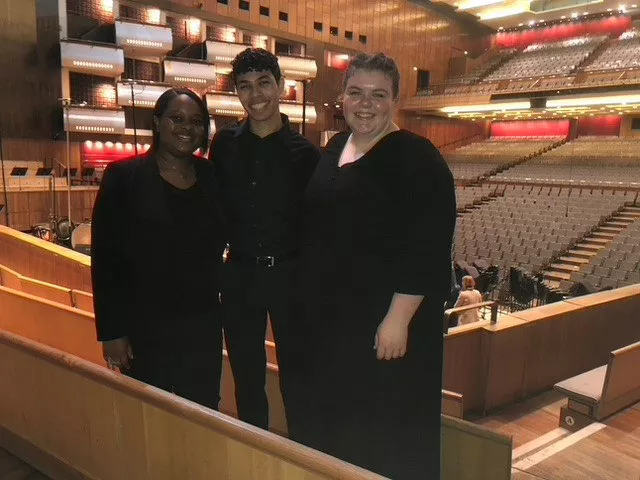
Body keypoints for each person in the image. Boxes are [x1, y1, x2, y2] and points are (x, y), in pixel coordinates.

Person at [296, 53, 456, 479]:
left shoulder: (418, 158)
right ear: (342, 97)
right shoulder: (333, 148)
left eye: (378, 95)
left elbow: (428, 245)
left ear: (395, 100)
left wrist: (397, 320)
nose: (365, 104)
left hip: (385, 323)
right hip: (335, 324)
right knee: (339, 428)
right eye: (356, 93)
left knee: (384, 433)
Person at [207, 48, 320, 437]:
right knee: (247, 378)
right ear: (237, 92)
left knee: (298, 377)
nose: (255, 94)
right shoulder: (223, 145)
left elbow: (317, 226)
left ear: (281, 86)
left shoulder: (306, 154)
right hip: (238, 276)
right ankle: (254, 455)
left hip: (291, 276)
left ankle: (306, 457)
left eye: (264, 83)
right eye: (245, 86)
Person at [91, 87, 225, 410]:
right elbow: (106, 259)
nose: (186, 128)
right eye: (176, 118)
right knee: (149, 415)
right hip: (145, 326)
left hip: (201, 325)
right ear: (157, 122)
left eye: (196, 121)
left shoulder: (211, 177)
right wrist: (112, 332)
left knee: (203, 411)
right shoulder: (124, 177)